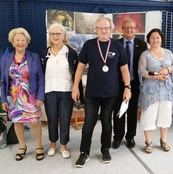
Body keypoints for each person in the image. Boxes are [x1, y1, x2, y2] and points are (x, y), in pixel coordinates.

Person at [72, 16, 131, 168]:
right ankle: (84, 152)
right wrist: (75, 86)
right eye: (101, 28)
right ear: (96, 30)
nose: (104, 30)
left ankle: (105, 149)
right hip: (92, 92)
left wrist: (127, 87)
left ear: (111, 29)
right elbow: (80, 66)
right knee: (89, 123)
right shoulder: (89, 45)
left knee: (106, 122)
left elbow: (124, 68)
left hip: (111, 93)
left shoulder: (117, 46)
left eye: (107, 28)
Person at [0, 28, 45, 161]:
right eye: (17, 40)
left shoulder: (34, 57)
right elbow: (2, 81)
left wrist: (40, 96)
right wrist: (3, 99)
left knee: (35, 122)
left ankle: (39, 146)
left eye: (23, 40)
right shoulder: (6, 58)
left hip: (31, 97)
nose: (20, 42)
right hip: (13, 98)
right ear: (12, 42)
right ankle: (22, 146)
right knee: (17, 121)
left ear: (27, 42)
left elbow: (40, 78)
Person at [41, 23, 83, 159]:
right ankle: (53, 144)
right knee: (52, 118)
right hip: (49, 91)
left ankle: (64, 145)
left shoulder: (71, 53)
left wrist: (76, 90)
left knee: (65, 119)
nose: (55, 36)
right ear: (50, 36)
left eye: (58, 33)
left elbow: (77, 72)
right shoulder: (44, 52)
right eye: (52, 34)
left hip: (66, 91)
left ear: (64, 35)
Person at [138, 28, 173, 154]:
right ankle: (148, 142)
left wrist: (168, 69)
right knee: (149, 115)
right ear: (149, 40)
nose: (155, 40)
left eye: (158, 37)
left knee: (165, 115)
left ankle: (163, 140)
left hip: (166, 90)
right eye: (152, 38)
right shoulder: (145, 54)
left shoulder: (168, 52)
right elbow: (141, 72)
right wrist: (156, 77)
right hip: (150, 91)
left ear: (161, 39)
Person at [112, 18, 147, 149]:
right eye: (126, 27)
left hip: (134, 84)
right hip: (118, 84)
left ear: (136, 29)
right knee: (118, 111)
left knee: (132, 111)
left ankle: (130, 136)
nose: (129, 30)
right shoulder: (116, 44)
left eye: (132, 27)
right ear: (122, 29)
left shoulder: (142, 44)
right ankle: (117, 137)